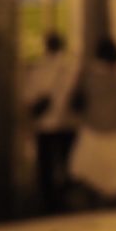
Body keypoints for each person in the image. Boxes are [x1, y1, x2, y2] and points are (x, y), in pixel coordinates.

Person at [68, 37, 116, 204]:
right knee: (113, 181)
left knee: (88, 174)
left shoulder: (87, 77)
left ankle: (92, 201)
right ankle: (110, 203)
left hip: (92, 130)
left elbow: (75, 102)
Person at [21, 31, 80, 213]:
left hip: (45, 124)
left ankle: (49, 203)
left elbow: (28, 96)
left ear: (46, 46)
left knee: (45, 166)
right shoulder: (72, 66)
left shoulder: (39, 67)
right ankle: (66, 199)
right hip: (68, 122)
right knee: (67, 163)